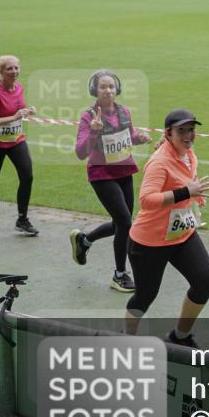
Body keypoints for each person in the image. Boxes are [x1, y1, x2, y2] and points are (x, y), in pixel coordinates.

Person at [125, 109, 209, 348]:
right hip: (150, 242)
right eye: (181, 131)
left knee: (204, 281)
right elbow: (147, 200)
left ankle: (180, 336)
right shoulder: (160, 162)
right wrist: (187, 192)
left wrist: (194, 199)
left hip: (181, 234)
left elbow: (186, 183)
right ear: (168, 133)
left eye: (191, 130)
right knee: (145, 296)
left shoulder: (187, 153)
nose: (188, 135)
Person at [69, 70, 151, 292]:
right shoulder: (89, 116)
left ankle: (84, 241)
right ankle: (119, 274)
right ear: (94, 90)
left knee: (120, 223)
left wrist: (139, 139)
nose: (108, 90)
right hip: (102, 175)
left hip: (124, 171)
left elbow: (127, 135)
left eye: (111, 86)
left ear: (117, 90)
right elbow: (80, 152)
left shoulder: (124, 111)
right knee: (125, 223)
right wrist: (94, 132)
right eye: (103, 86)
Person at [0, 55, 38, 236]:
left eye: (16, 68)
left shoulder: (19, 88)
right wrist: (14, 117)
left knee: (27, 176)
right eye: (9, 69)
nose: (14, 72)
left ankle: (22, 219)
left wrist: (28, 111)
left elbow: (18, 109)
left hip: (16, 141)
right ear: (1, 72)